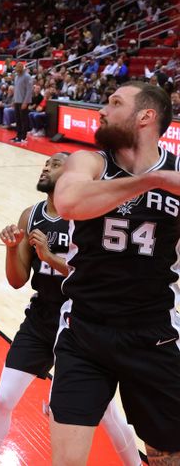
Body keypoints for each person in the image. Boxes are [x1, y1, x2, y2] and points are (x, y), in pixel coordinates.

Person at [0, 153, 139, 466]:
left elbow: (96, 276)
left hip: (84, 323)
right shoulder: (31, 214)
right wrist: (13, 250)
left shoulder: (92, 217)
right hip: (42, 318)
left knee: (107, 413)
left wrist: (50, 257)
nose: (46, 167)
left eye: (55, 164)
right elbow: (17, 281)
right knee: (2, 399)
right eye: (46, 163)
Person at [50, 81, 180, 465]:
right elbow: (69, 201)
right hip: (85, 330)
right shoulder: (90, 163)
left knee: (167, 456)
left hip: (152, 332)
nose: (102, 110)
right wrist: (148, 182)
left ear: (146, 116)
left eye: (114, 102)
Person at [11, 62, 33, 143]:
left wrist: (26, 102)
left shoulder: (27, 76)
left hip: (23, 102)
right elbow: (15, 89)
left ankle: (24, 137)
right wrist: (13, 100)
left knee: (23, 120)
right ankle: (18, 136)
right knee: (18, 120)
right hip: (17, 101)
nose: (18, 68)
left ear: (23, 67)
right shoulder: (16, 77)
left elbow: (29, 91)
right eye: (17, 67)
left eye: (20, 67)